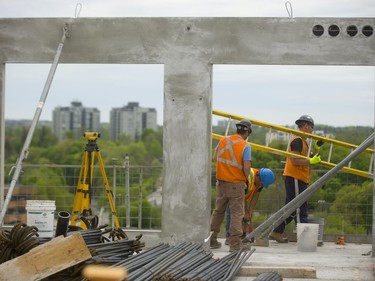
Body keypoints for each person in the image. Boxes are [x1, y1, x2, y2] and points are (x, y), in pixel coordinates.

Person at [269, 114, 322, 243]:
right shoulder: (297, 140)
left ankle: (277, 231)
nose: (312, 130)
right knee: (300, 208)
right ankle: (304, 239)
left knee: (291, 207)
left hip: (298, 178)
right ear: (306, 126)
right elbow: (295, 160)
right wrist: (311, 161)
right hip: (295, 177)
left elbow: (308, 158)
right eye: (312, 127)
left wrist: (317, 149)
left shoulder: (304, 142)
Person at [210, 119, 252, 252]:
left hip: (221, 183)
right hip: (236, 184)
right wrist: (247, 180)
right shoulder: (245, 146)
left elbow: (215, 157)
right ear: (247, 132)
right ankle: (235, 245)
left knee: (218, 211)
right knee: (236, 214)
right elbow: (246, 167)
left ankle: (212, 239)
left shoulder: (223, 140)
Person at [225, 168, 275, 245]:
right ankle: (229, 237)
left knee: (245, 215)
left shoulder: (260, 181)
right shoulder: (248, 178)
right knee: (232, 213)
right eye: (261, 184)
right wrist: (245, 211)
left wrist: (250, 211)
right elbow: (241, 197)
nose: (261, 186)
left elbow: (255, 196)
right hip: (233, 192)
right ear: (258, 177)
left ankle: (242, 235)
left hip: (242, 197)